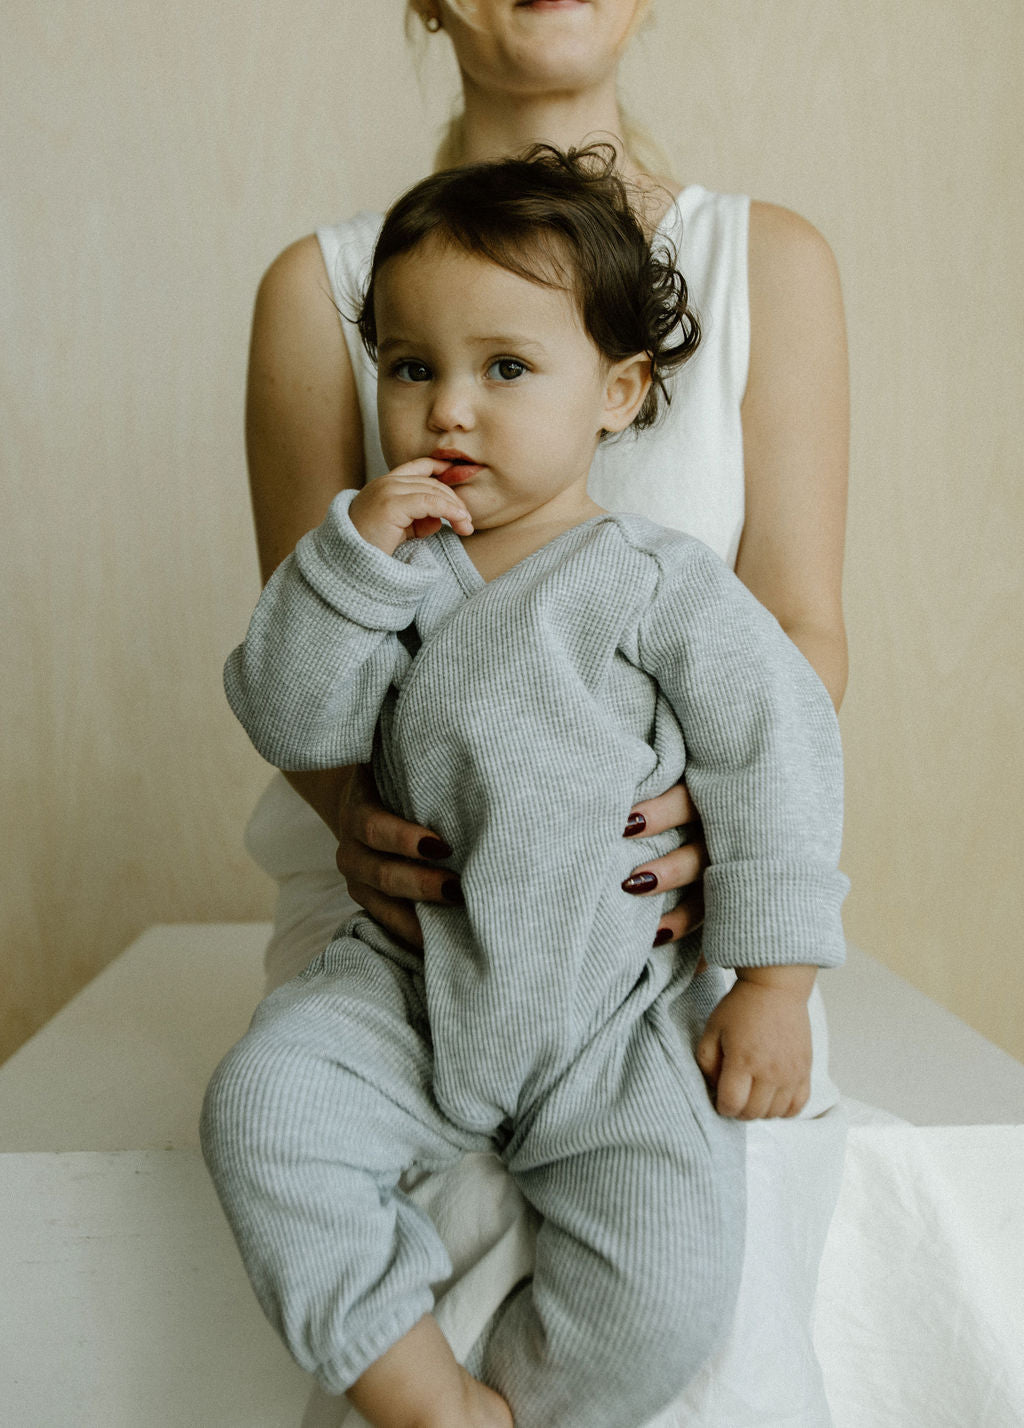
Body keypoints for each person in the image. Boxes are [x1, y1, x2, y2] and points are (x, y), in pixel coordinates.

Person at [239, 3, 850, 1423]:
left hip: (643, 938)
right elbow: (296, 700)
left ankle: (524, 1403)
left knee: (686, 1263)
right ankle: (420, 1396)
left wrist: (759, 934)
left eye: (509, 369)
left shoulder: (767, 270)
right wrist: (363, 807)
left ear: (623, 390)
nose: (451, 412)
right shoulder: (327, 290)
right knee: (269, 1113)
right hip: (401, 935)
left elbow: (788, 666)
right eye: (414, 372)